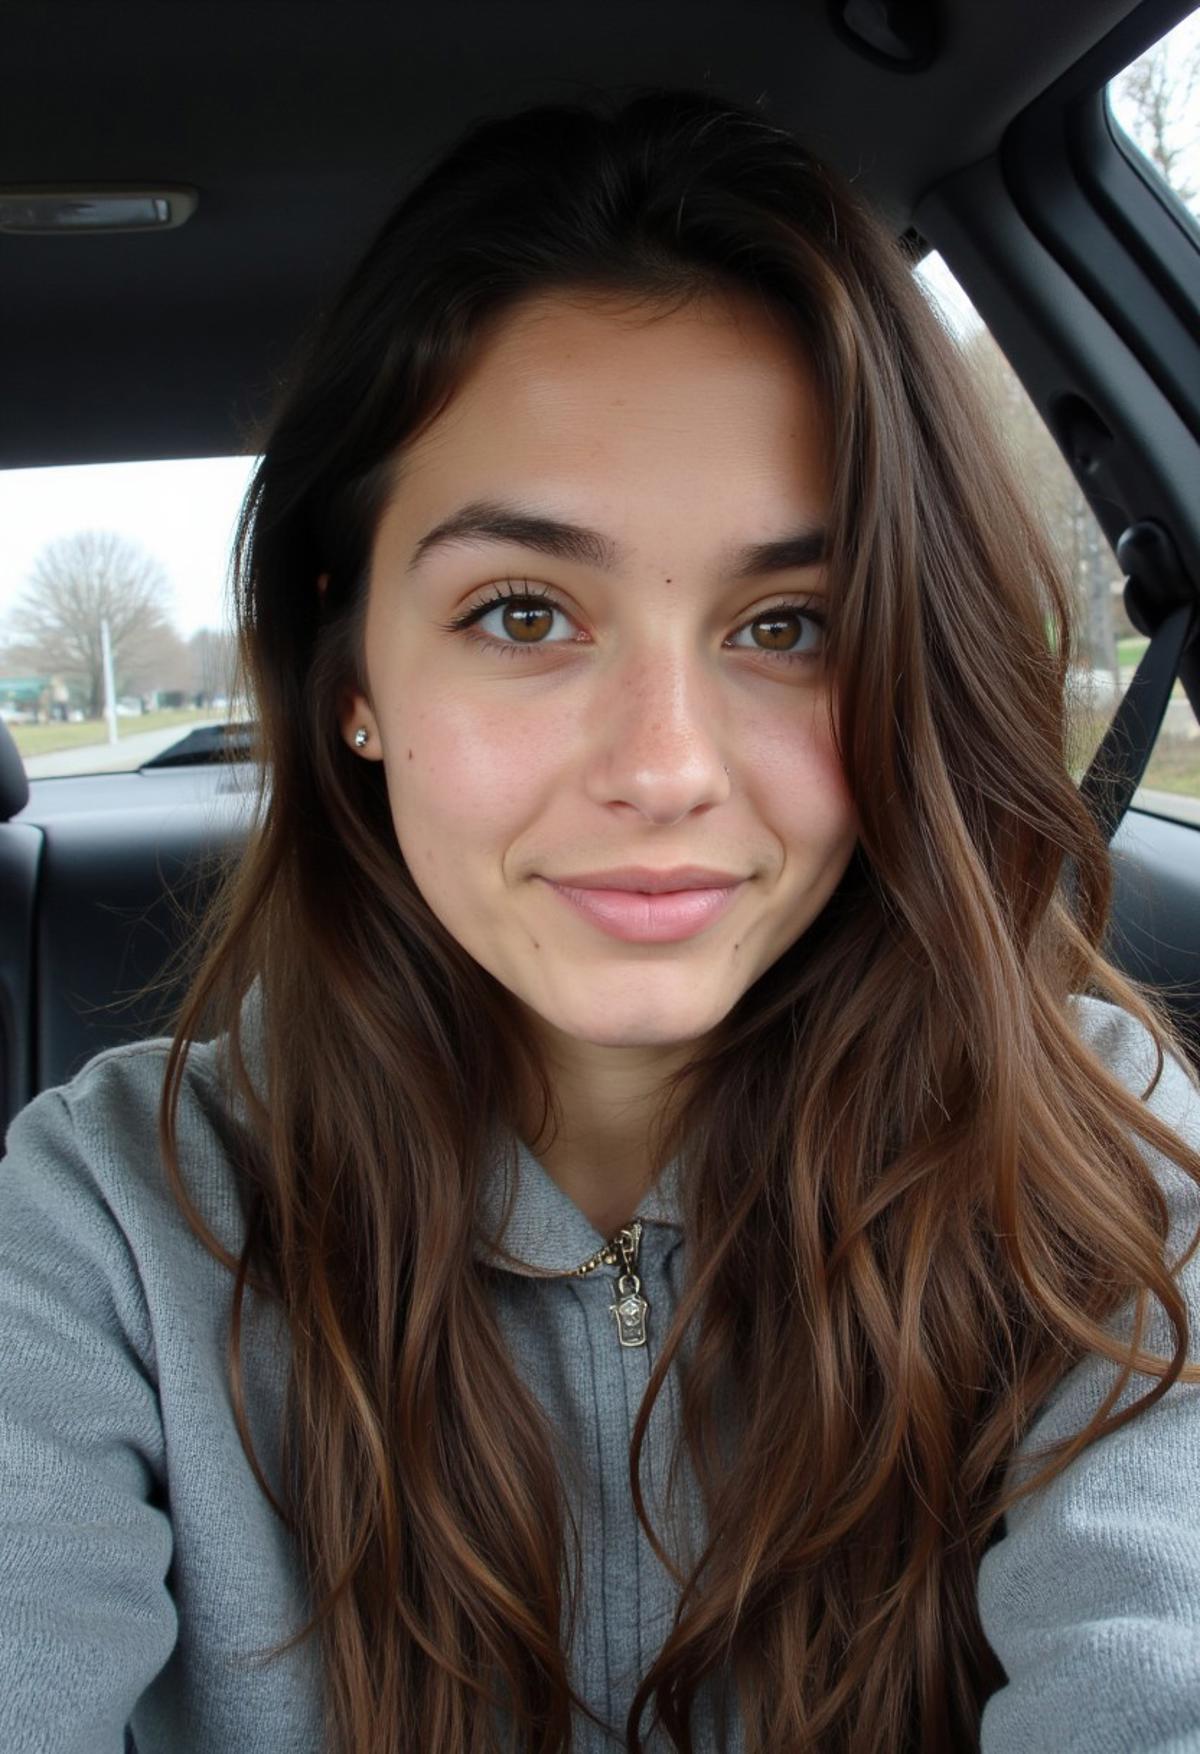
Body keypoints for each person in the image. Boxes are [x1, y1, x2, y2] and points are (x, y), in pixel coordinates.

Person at [2, 85, 1200, 1754]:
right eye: (521, 610)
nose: (665, 767)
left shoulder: (1096, 1158)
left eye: (789, 623)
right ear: (351, 672)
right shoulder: (99, 1230)